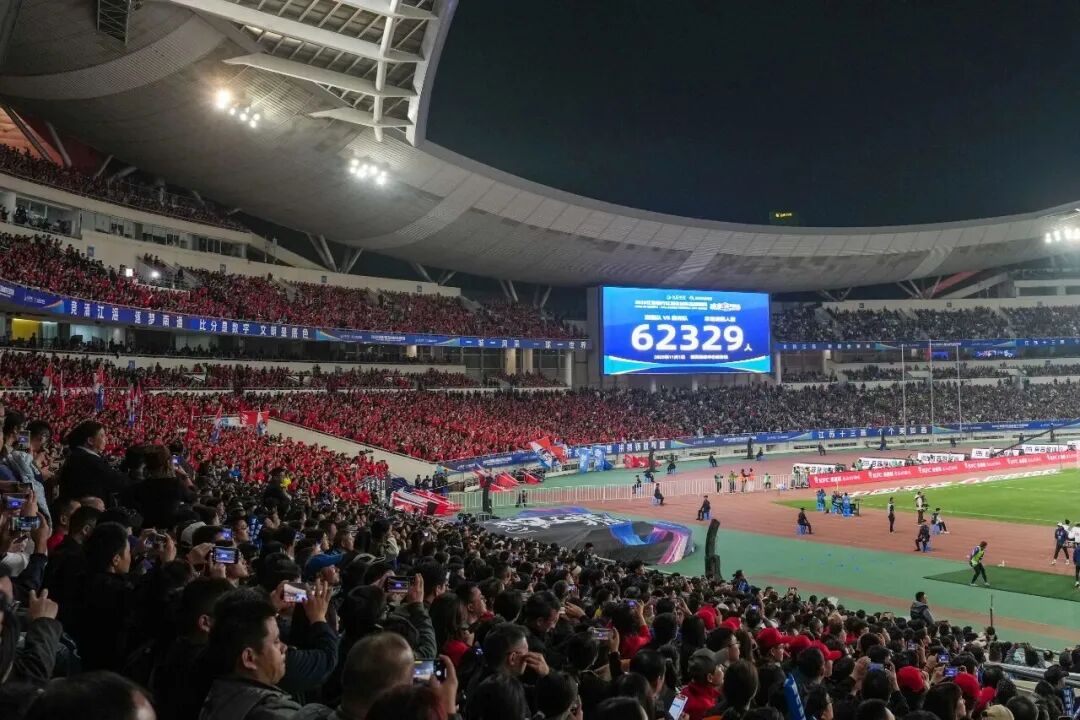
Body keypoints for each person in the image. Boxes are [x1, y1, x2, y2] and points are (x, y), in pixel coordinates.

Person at [198, 589, 298, 720]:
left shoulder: (213, 691)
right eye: (276, 641)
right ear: (249, 658)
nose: (284, 648)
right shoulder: (274, 714)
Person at [56, 420, 133, 504]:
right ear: (90, 441)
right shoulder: (89, 460)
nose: (106, 439)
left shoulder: (78, 454)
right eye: (102, 436)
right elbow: (118, 482)